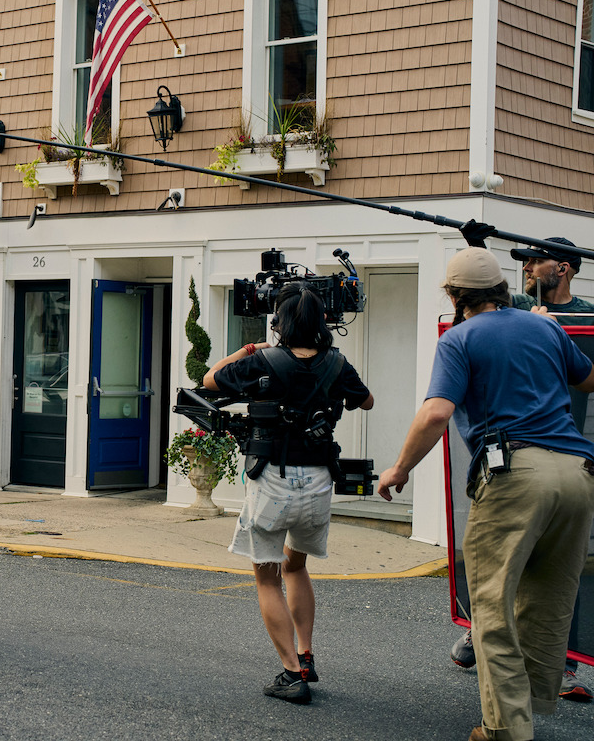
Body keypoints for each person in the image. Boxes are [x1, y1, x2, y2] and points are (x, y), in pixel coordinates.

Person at [377, 247, 594, 741]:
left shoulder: (460, 338)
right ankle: (535, 702)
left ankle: (505, 731)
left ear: (454, 296)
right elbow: (588, 379)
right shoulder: (545, 326)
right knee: (550, 598)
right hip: (579, 475)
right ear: (502, 288)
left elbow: (436, 413)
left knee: (493, 607)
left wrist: (398, 469)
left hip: (516, 474)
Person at [202, 283, 374, 704]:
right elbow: (366, 402)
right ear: (321, 322)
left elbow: (208, 381)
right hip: (318, 482)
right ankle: (307, 655)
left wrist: (247, 351)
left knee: (267, 576)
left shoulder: (262, 360)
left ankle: (290, 674)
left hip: (273, 481)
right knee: (295, 568)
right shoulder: (337, 363)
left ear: (280, 323)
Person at [446, 237, 594, 702]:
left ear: (565, 269)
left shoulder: (584, 315)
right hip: (538, 462)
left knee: (551, 579)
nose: (527, 268)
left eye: (536, 260)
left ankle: (546, 680)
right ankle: (491, 643)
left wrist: (555, 333)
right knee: (517, 572)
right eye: (522, 262)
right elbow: (484, 297)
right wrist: (475, 244)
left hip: (549, 454)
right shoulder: (524, 310)